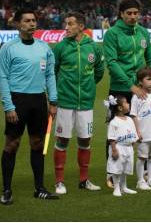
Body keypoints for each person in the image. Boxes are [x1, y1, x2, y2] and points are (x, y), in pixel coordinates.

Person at [0, 8, 58, 204]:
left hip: (39, 101)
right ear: (17, 24)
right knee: (12, 144)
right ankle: (6, 190)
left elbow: (50, 75)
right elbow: (3, 77)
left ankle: (39, 188)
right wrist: (9, 106)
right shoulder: (9, 47)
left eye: (34, 20)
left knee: (38, 144)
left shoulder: (44, 47)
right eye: (27, 21)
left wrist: (53, 101)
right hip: (17, 100)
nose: (32, 23)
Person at [103, 0, 151, 187]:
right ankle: (111, 173)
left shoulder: (143, 32)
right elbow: (111, 62)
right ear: (121, 14)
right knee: (116, 131)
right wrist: (130, 85)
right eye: (129, 13)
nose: (133, 17)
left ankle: (141, 174)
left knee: (139, 130)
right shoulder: (112, 34)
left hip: (140, 89)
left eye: (136, 13)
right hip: (120, 89)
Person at [52, 12, 104, 195]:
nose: (66, 27)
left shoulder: (94, 48)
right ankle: (59, 182)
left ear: (81, 27)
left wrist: (88, 87)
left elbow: (99, 71)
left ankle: (84, 180)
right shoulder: (60, 48)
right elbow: (52, 72)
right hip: (65, 101)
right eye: (66, 24)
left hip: (86, 103)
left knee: (85, 140)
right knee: (63, 139)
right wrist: (54, 97)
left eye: (70, 24)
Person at [130, 67, 151, 190]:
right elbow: (133, 115)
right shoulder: (137, 97)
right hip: (144, 134)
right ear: (140, 82)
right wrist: (137, 132)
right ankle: (140, 181)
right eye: (148, 79)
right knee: (142, 157)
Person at [105, 95, 138, 197]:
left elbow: (133, 132)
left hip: (128, 148)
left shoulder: (129, 119)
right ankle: (116, 188)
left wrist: (133, 143)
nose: (128, 104)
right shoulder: (114, 122)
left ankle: (124, 187)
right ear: (120, 107)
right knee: (117, 168)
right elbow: (111, 138)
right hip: (119, 148)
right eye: (126, 103)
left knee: (125, 168)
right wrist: (114, 150)